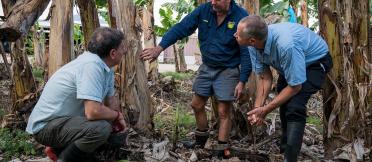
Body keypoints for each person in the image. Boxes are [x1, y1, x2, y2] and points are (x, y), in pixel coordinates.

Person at [140, 0, 251, 158]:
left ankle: (222, 149)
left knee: (223, 111)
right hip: (207, 66)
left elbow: (246, 52)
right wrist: (160, 47)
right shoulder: (204, 10)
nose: (212, 2)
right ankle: (201, 141)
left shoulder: (241, 17)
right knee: (196, 104)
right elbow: (181, 28)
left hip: (228, 69)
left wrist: (242, 80)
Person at [234, 15, 332, 162]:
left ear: (252, 40)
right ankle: (285, 150)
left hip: (314, 63)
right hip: (289, 65)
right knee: (284, 105)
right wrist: (258, 109)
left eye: (238, 34)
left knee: (294, 106)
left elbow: (295, 86)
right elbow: (265, 78)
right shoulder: (253, 46)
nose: (234, 35)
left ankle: (290, 158)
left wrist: (266, 110)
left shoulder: (285, 45)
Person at [26, 27, 128, 162]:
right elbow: (93, 112)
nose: (125, 51)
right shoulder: (91, 66)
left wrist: (118, 121)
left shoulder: (105, 68)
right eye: (123, 48)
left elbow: (111, 100)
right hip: (45, 127)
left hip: (61, 122)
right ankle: (63, 157)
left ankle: (58, 150)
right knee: (101, 129)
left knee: (107, 127)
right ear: (113, 53)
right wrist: (116, 115)